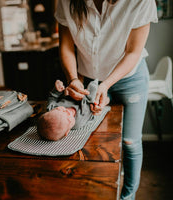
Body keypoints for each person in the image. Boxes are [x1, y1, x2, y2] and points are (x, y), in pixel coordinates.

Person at [54, 0, 158, 199]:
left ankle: (128, 196)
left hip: (131, 78)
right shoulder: (66, 2)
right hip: (90, 80)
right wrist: (73, 79)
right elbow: (66, 46)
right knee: (94, 138)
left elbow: (133, 52)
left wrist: (106, 84)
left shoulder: (141, 1)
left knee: (130, 141)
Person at [37, 79, 109, 141]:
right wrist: (96, 106)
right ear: (67, 131)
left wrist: (57, 90)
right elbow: (91, 116)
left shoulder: (51, 108)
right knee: (96, 95)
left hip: (74, 87)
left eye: (60, 110)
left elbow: (52, 97)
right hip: (91, 95)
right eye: (68, 119)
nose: (68, 112)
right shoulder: (78, 123)